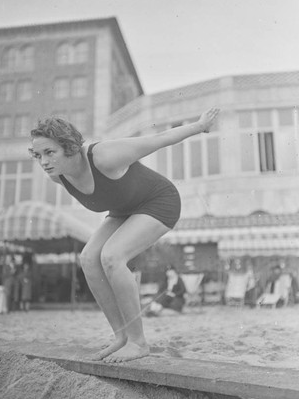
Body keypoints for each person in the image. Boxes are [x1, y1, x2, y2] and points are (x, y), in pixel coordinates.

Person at [29, 108, 220, 362]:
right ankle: (121, 338)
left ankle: (138, 342)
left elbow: (157, 139)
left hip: (159, 201)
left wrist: (200, 125)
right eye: (38, 155)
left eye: (49, 152)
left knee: (112, 256)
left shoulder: (104, 156)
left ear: (69, 146)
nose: (43, 162)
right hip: (124, 210)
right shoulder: (59, 177)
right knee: (88, 258)